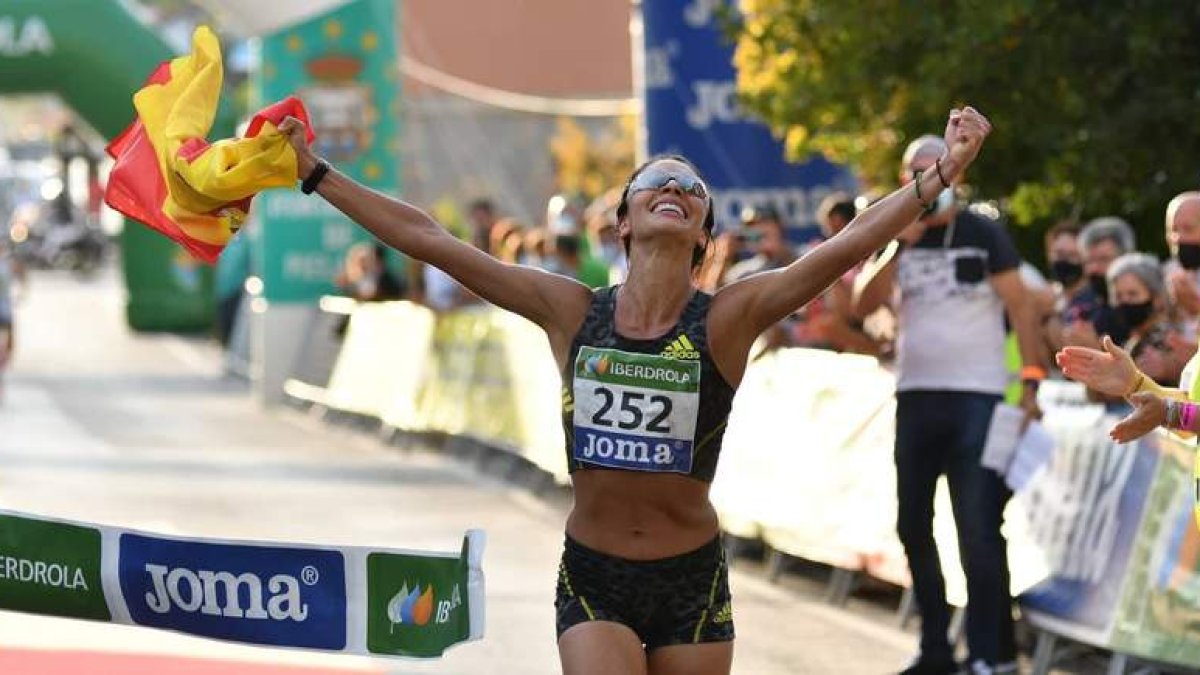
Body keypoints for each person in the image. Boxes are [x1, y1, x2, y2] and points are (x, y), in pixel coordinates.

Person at [278, 105, 993, 675]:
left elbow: (844, 248)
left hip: (691, 580)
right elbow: (430, 239)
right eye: (659, 182)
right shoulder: (570, 309)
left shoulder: (728, 318)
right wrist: (316, 174)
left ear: (703, 233)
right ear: (624, 221)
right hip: (595, 573)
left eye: (692, 189)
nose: (676, 190)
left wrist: (940, 176)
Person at [852, 134, 1045, 675]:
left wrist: (1030, 382)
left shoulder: (983, 233)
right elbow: (859, 303)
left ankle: (993, 654)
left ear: (953, 175)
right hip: (916, 397)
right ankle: (935, 646)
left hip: (976, 399)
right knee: (912, 523)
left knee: (977, 526)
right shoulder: (897, 234)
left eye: (934, 167)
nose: (925, 176)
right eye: (915, 169)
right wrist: (899, 243)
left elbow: (1023, 308)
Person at [1106, 252, 1195, 388]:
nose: (1125, 302)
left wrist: (1171, 370)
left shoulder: (1168, 340)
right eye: (1118, 296)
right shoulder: (1134, 340)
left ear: (1157, 298)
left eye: (1133, 294)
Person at [1062, 216, 1136, 349]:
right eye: (1089, 261)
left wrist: (1096, 348)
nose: (1094, 268)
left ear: (1126, 258)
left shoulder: (1142, 304)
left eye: (1104, 259)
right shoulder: (1085, 302)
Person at [1163, 192, 1200, 328]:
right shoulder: (1167, 274)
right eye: (1173, 230)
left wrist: (1196, 309)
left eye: (1188, 229)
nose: (1178, 238)